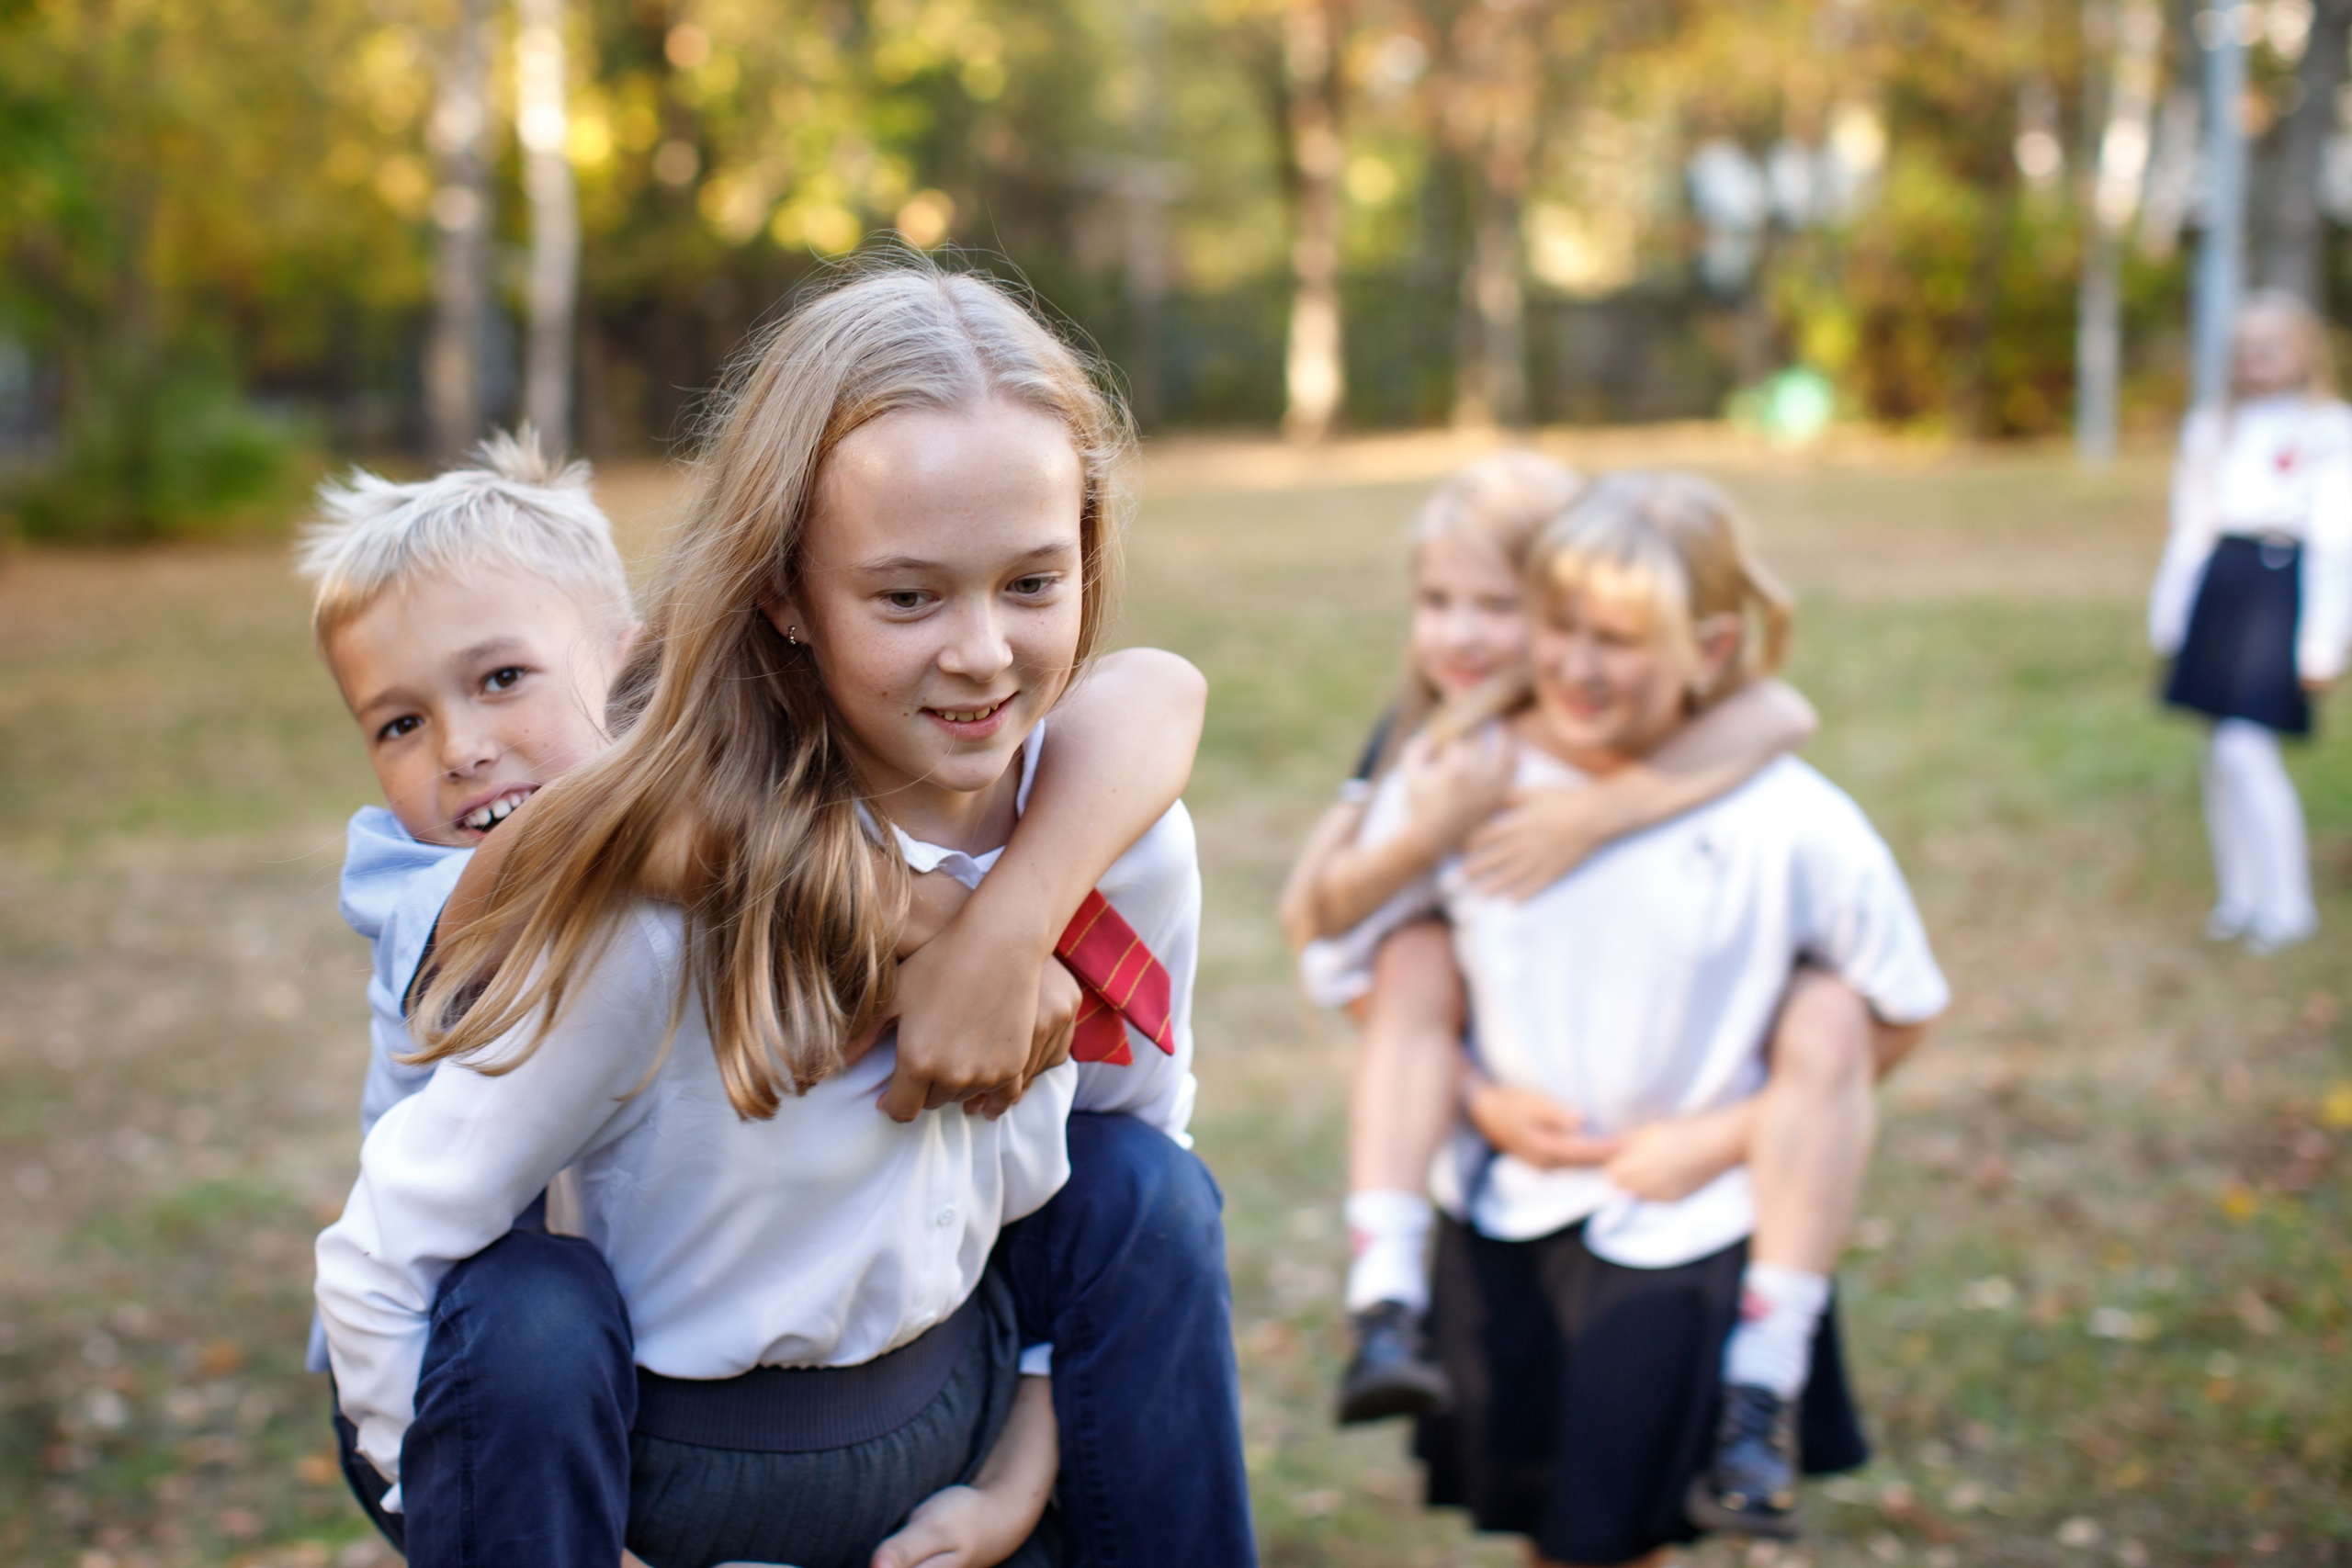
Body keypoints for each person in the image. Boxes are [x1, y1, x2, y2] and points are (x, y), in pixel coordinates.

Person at [308, 264, 1250, 1568]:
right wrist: (453, 1508)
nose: (980, 652)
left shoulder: (1124, 844)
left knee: (1150, 1186)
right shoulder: (659, 904)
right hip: (676, 1465)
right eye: (908, 596)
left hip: (956, 1416)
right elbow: (388, 1252)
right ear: (784, 593)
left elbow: (1123, 1194)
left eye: (1032, 582)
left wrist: (1019, 1482)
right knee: (519, 1306)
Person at [1343, 471, 1946, 1563]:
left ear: (1709, 651)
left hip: (1689, 1225)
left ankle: (1763, 1383)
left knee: (1612, 1542)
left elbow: (1894, 1015)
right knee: (1550, 1525)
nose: (1575, 665)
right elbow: (1358, 965)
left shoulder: (1791, 822)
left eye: (1617, 639)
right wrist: (1481, 1103)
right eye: (1558, 627)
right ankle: (1374, 1298)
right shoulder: (1465, 776)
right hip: (1508, 1211)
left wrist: (1716, 1140)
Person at [1275, 452, 1826, 1427]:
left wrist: (1599, 813)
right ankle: (1383, 1294)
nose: (1461, 636)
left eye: (1497, 606)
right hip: (1497, 1101)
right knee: (1411, 955)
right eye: (1437, 601)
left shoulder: (1616, 714)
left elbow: (1782, 710)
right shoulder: (1432, 739)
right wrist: (1434, 831)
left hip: (1654, 1158)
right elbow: (1311, 921)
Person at [2149, 288, 2352, 954]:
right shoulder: (2215, 427)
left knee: (2246, 747)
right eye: (2244, 349)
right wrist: (2171, 611)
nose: (2255, 360)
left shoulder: (2331, 429)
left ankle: (2287, 905)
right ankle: (2242, 895)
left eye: (2270, 346)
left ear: (2303, 351)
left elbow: (2336, 540)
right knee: (2219, 754)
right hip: (2223, 583)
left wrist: (2325, 637)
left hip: (2281, 586)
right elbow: (2191, 526)